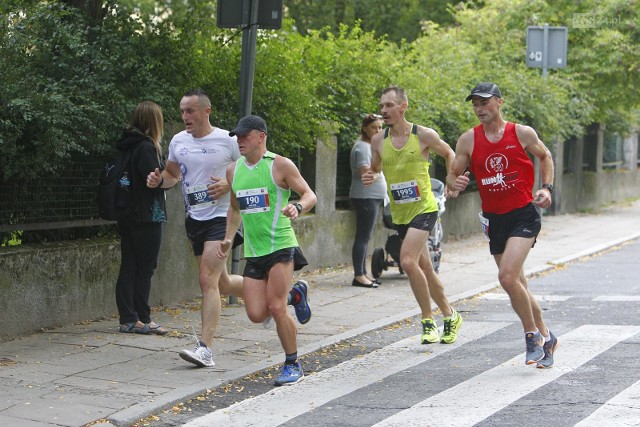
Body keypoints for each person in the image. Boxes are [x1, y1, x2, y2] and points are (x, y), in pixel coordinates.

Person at [146, 91, 310, 368]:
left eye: (190, 111)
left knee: (206, 280)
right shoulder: (178, 141)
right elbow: (173, 175)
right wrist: (158, 181)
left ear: (206, 111)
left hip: (223, 218)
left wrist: (228, 186)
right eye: (182, 111)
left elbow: (251, 169)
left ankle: (206, 349)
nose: (185, 116)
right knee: (222, 285)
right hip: (195, 217)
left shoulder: (228, 140)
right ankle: (289, 293)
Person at [447, 82, 558, 368]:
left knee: (507, 278)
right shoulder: (468, 140)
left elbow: (545, 156)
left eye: (484, 102)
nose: (479, 108)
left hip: (523, 213)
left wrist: (546, 188)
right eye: (475, 103)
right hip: (494, 218)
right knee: (517, 283)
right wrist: (454, 183)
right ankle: (547, 336)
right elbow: (453, 175)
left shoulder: (521, 133)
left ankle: (531, 336)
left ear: (499, 102)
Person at [216, 114, 317, 386]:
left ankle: (292, 363)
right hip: (254, 250)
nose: (239, 141)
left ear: (261, 136)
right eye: (237, 137)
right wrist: (228, 238)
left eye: (244, 136)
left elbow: (310, 195)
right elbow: (235, 208)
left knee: (275, 306)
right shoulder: (233, 171)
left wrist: (297, 206)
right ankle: (296, 295)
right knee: (256, 313)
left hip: (281, 245)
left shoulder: (280, 165)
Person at [362, 85, 463, 345]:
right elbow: (376, 166)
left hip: (425, 208)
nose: (383, 110)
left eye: (389, 105)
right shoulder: (378, 140)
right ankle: (451, 316)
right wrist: (370, 174)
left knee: (407, 261)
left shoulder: (424, 135)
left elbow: (450, 152)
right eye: (382, 106)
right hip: (401, 212)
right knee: (426, 269)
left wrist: (451, 181)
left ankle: (427, 321)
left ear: (402, 107)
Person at [116, 101, 169, 335]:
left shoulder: (126, 144)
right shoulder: (147, 148)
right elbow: (156, 182)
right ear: (155, 122)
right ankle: (142, 318)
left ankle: (128, 318)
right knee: (145, 267)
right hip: (147, 215)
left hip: (126, 213)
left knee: (129, 265)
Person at [349, 114, 387, 288]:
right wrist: (379, 171)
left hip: (371, 197)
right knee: (362, 237)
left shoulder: (370, 145)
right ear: (365, 128)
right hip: (365, 196)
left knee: (365, 236)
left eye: (380, 128)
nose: (378, 131)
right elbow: (366, 174)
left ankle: (363, 273)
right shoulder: (363, 147)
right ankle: (359, 275)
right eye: (374, 127)